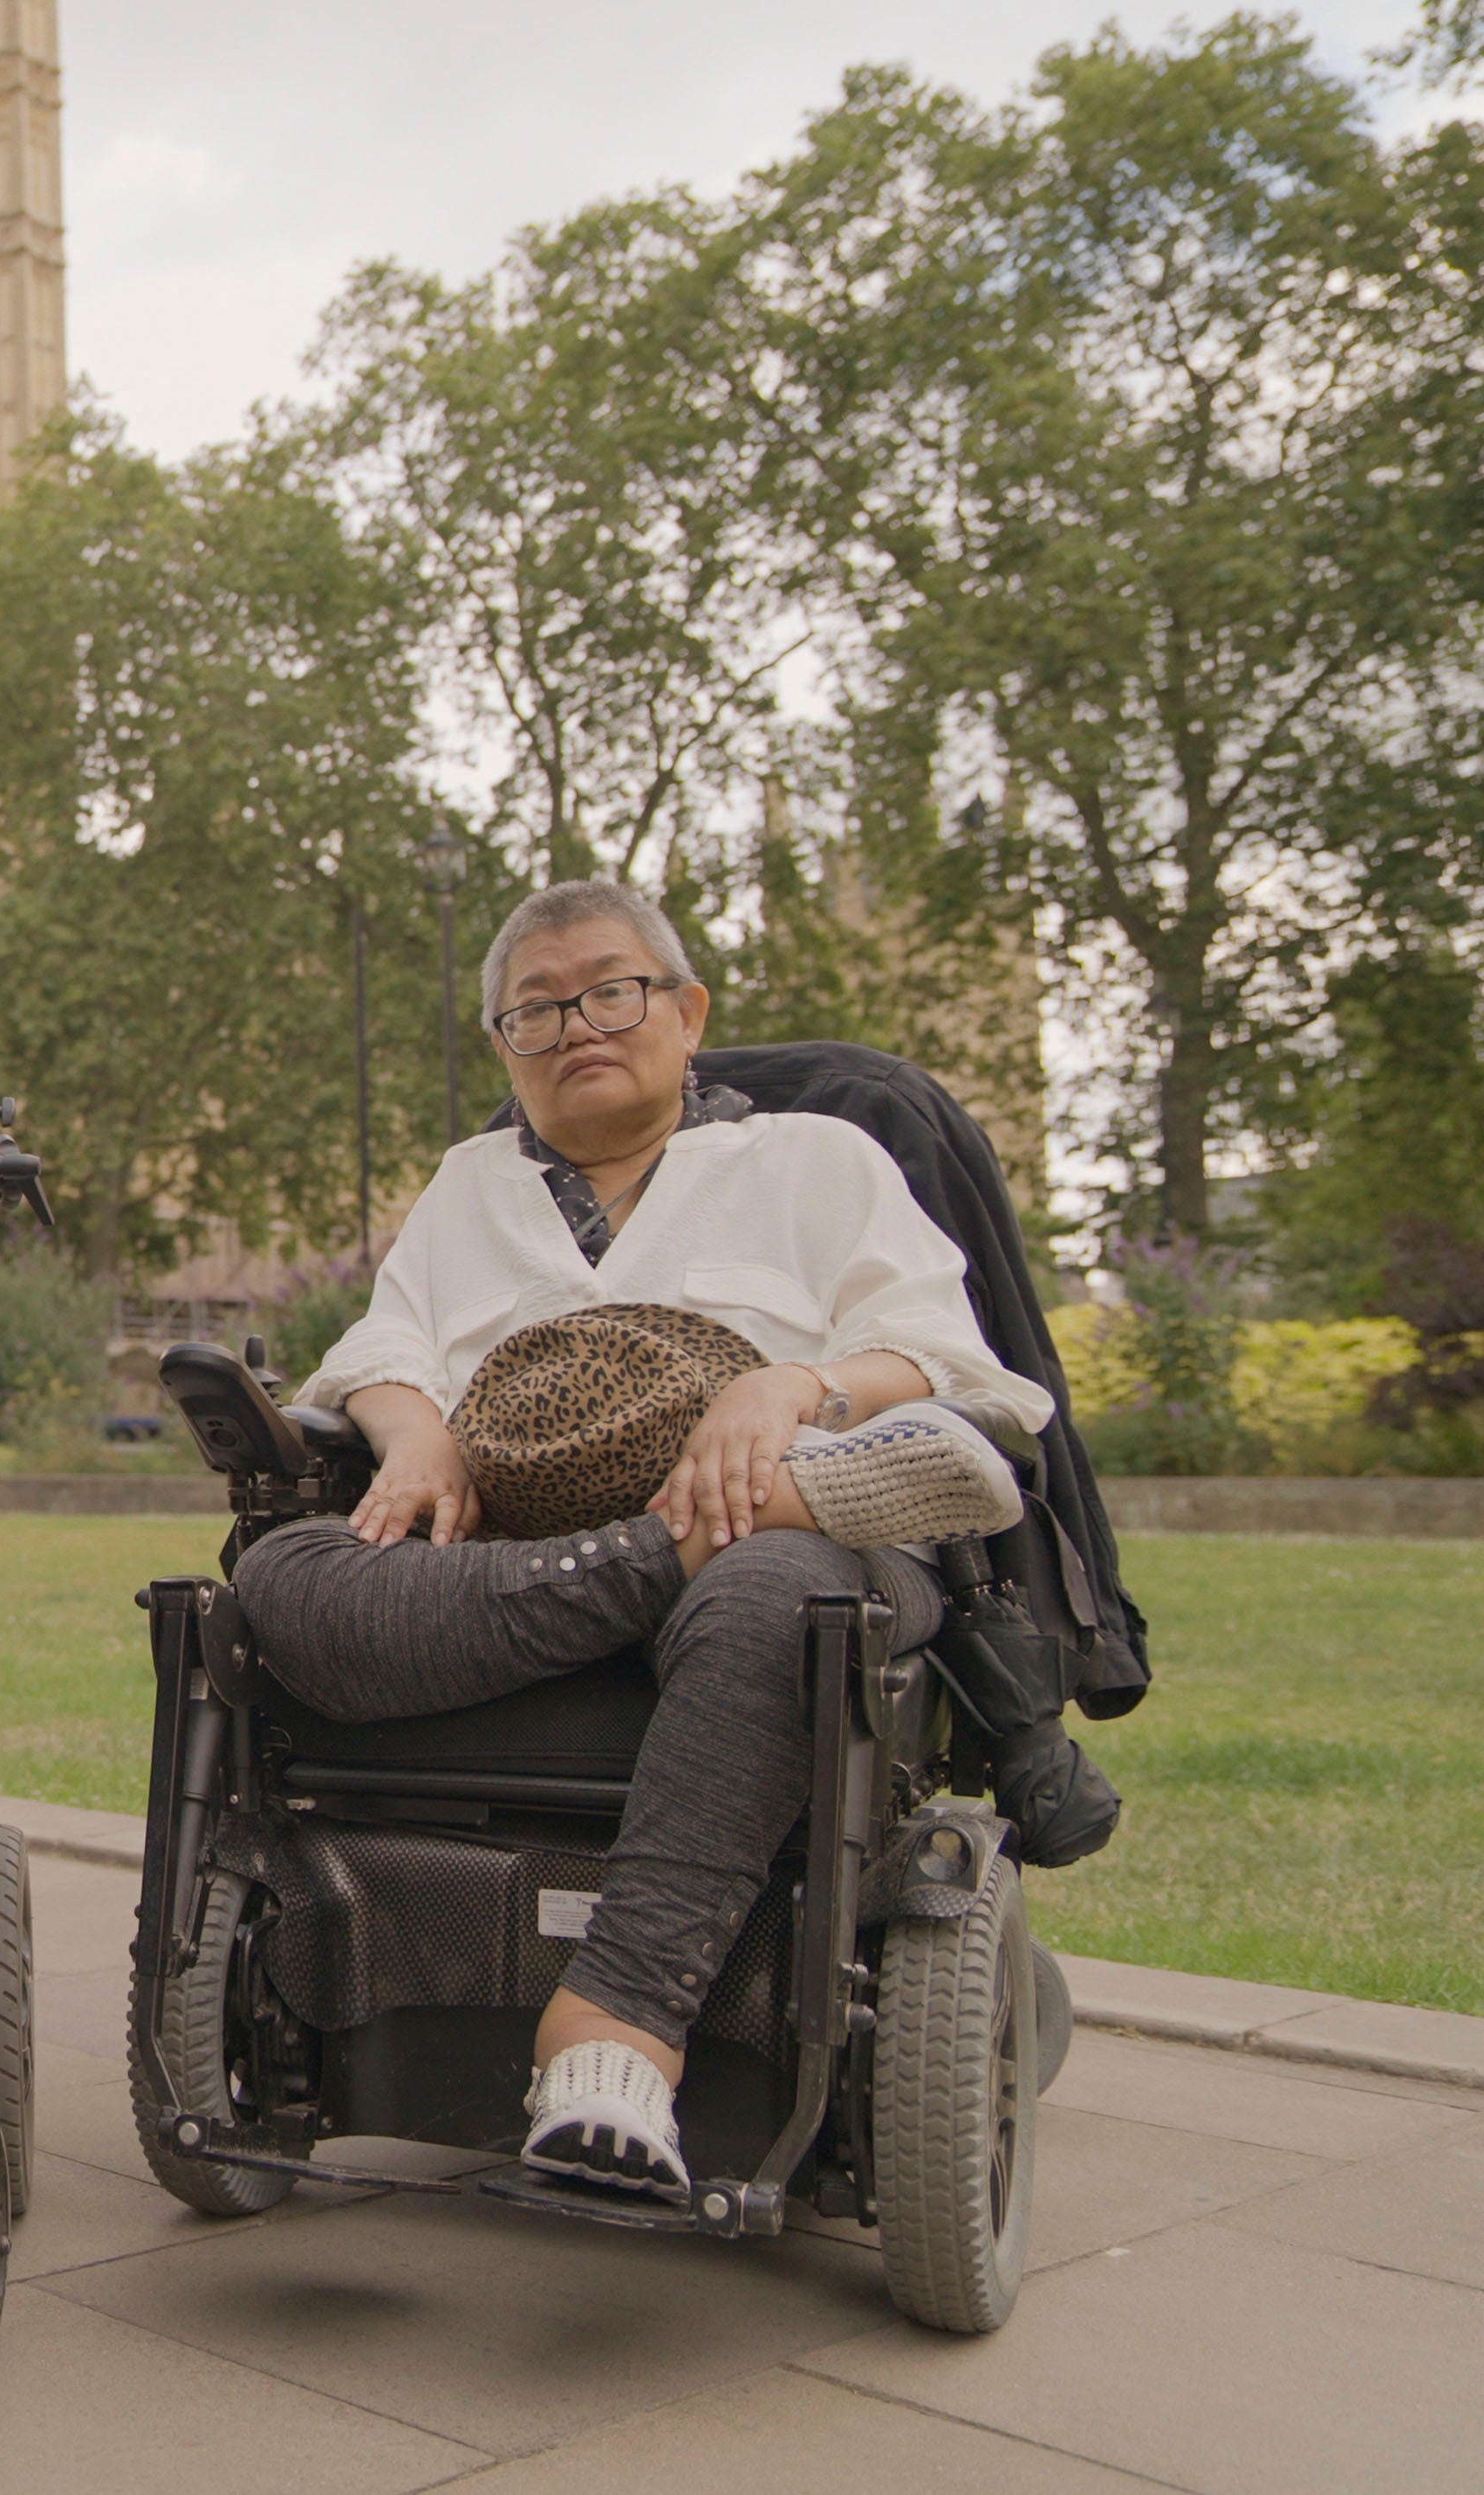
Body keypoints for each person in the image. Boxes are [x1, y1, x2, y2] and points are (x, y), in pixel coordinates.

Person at [244, 875, 1052, 2203]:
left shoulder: (816, 1160)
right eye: (535, 1009)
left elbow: (955, 1360)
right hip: (520, 1544)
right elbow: (381, 1347)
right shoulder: (470, 1184)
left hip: (777, 1548)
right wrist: (413, 1427)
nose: (576, 1025)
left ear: (688, 1011)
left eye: (610, 990)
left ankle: (614, 2032)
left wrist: (797, 1388)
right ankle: (680, 1542)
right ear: (505, 1045)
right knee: (281, 1577)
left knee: (781, 1587)